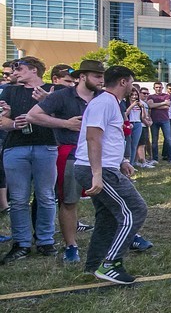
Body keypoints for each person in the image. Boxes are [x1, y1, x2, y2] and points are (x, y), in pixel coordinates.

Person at [25, 60, 106, 263]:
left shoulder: (104, 98)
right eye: (97, 76)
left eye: (102, 77)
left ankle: (122, 237)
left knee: (110, 200)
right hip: (71, 155)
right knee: (69, 201)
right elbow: (32, 116)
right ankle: (71, 246)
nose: (101, 81)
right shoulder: (62, 96)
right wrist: (65, 124)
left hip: (102, 156)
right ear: (82, 77)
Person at [73, 66, 148, 284]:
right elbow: (93, 138)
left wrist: (122, 161)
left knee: (107, 217)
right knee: (135, 210)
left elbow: (110, 138)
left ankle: (94, 265)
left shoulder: (111, 103)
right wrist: (97, 174)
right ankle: (111, 263)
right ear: (123, 82)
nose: (133, 86)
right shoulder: (104, 102)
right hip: (98, 169)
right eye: (132, 82)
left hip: (105, 167)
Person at [0, 57, 58, 263]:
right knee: (18, 199)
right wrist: (14, 123)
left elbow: (61, 119)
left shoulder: (53, 90)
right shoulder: (10, 91)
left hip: (46, 146)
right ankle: (21, 243)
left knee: (46, 196)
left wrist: (46, 103)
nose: (15, 71)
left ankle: (45, 240)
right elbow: (2, 121)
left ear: (34, 70)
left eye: (20, 68)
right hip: (15, 147)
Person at [147, 81, 171, 164]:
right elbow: (150, 106)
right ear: (154, 88)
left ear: (162, 88)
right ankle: (155, 159)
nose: (158, 89)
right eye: (157, 87)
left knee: (169, 139)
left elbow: (167, 106)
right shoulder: (150, 96)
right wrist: (163, 103)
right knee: (154, 141)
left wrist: (156, 105)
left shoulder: (167, 96)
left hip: (165, 119)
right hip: (154, 120)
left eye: (160, 87)